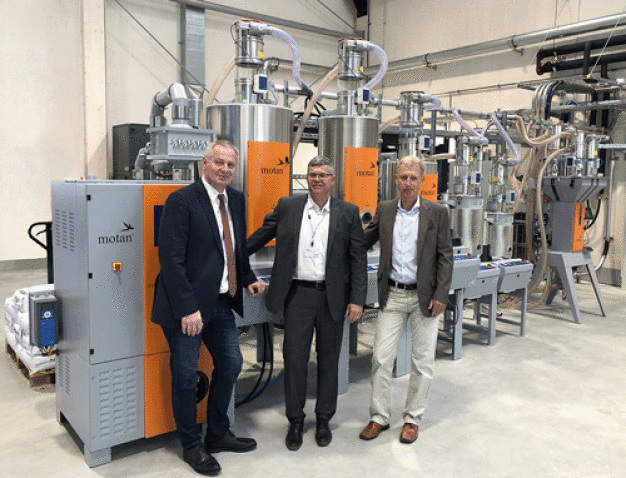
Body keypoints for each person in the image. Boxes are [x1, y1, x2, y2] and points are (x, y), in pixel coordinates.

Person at [152, 140, 267, 476]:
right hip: (186, 307)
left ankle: (217, 434)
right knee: (186, 377)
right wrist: (187, 308)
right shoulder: (182, 201)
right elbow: (171, 260)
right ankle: (191, 445)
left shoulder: (237, 199)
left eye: (230, 165)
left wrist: (247, 277)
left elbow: (236, 249)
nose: (225, 169)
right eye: (219, 162)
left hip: (220, 303)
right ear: (204, 163)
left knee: (231, 364)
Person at [247, 156, 367, 451]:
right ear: (307, 178)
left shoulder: (348, 212)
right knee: (295, 358)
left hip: (333, 297)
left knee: (329, 360)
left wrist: (357, 300)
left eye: (323, 175)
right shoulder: (288, 206)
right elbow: (258, 238)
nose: (316, 179)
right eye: (312, 174)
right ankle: (295, 421)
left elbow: (358, 259)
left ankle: (324, 419)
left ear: (332, 180)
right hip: (297, 294)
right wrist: (231, 256)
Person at [358, 155, 453, 444]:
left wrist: (440, 294)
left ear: (421, 181)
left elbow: (445, 256)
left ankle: (412, 419)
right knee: (381, 358)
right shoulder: (385, 210)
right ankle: (379, 416)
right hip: (393, 295)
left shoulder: (437, 212)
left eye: (413, 177)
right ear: (395, 180)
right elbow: (363, 241)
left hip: (425, 297)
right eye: (403, 177)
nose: (408, 182)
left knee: (422, 362)